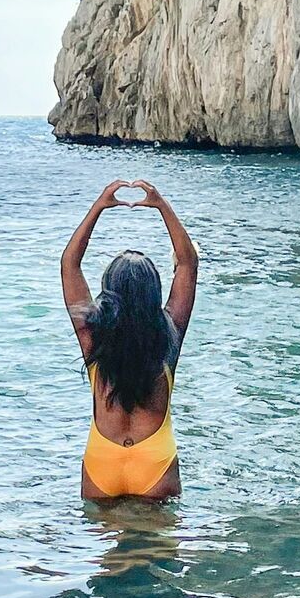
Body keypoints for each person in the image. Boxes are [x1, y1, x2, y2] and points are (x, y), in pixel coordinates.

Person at [62, 179, 199, 502]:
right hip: (155, 463)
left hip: (102, 464)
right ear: (153, 295)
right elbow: (188, 265)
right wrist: (162, 205)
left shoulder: (93, 339)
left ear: (108, 292)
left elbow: (69, 264)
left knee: (104, 552)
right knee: (157, 550)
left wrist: (98, 207)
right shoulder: (169, 339)